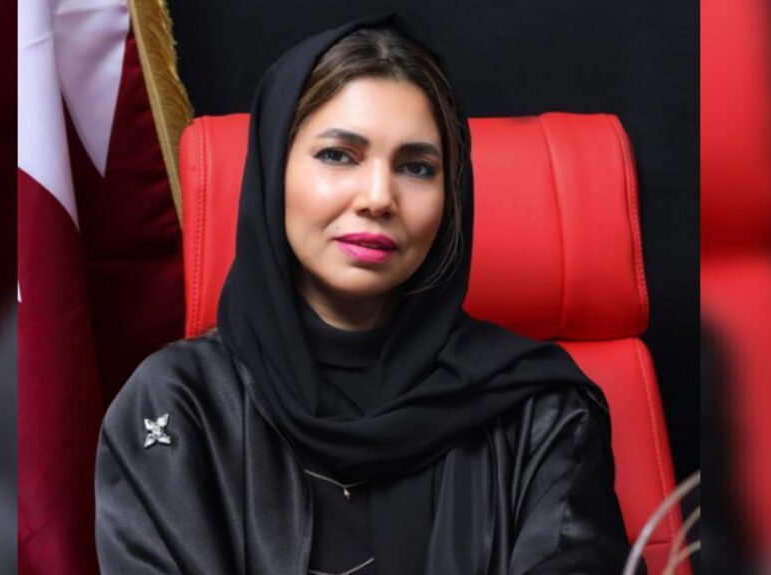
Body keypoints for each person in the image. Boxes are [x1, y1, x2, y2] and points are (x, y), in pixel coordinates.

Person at [95, 12, 632, 575]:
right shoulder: (179, 404)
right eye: (337, 155)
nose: (378, 197)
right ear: (273, 171)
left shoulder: (539, 409)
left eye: (417, 167)